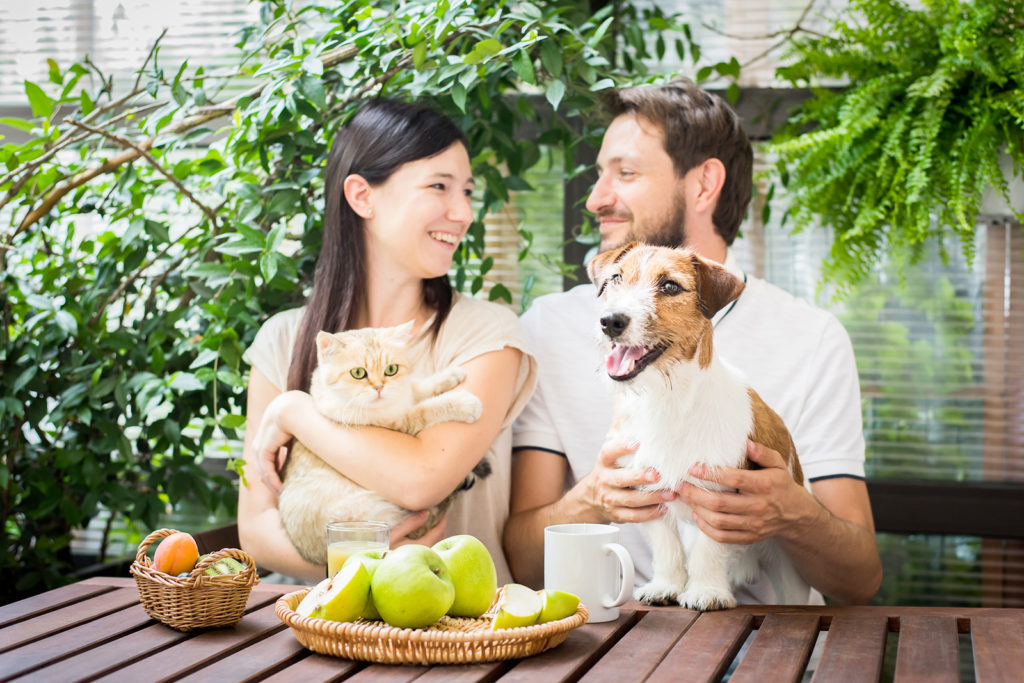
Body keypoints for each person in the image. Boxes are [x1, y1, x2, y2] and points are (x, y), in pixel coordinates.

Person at [504, 77, 882, 605]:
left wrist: (794, 515)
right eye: (598, 175)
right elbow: (521, 560)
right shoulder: (554, 326)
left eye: (626, 173)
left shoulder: (813, 339)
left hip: (761, 652)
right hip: (603, 648)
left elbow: (860, 581)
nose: (595, 199)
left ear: (704, 184)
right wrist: (594, 496)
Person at [239, 99, 537, 584]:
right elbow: (255, 530)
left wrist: (296, 412)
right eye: (438, 186)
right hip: (328, 634)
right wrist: (358, 554)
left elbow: (421, 480)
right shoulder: (284, 339)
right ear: (362, 196)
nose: (462, 212)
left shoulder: (485, 334)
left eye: (466, 191)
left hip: (470, 639)